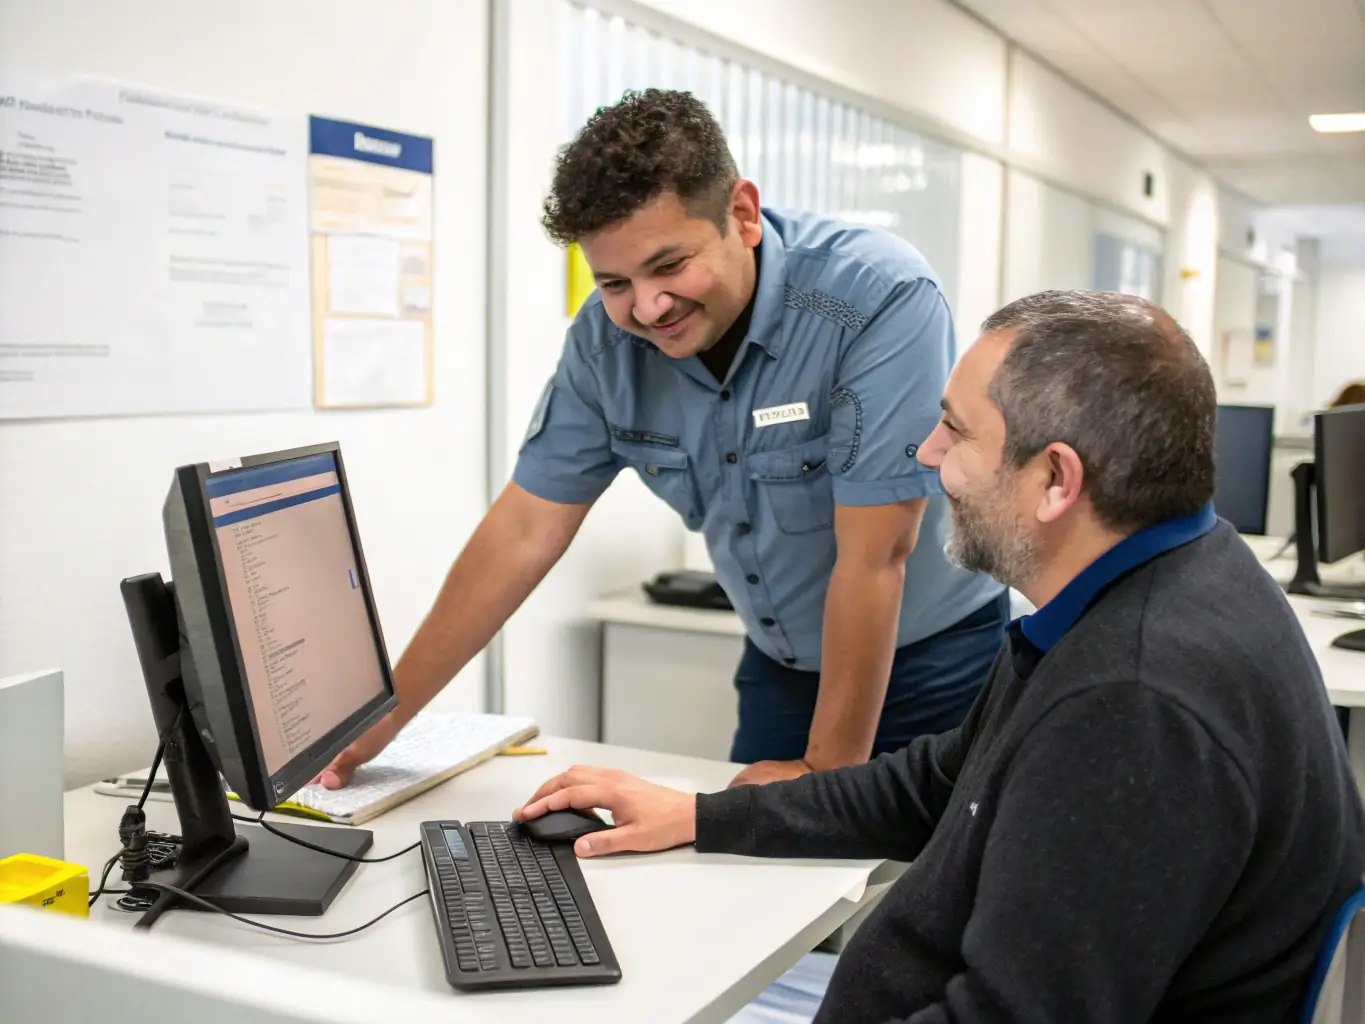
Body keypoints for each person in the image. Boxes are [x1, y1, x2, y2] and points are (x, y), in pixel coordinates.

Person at [514, 290, 1365, 1023]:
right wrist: (698, 816)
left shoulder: (1132, 703)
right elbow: (936, 787)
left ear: (1055, 480)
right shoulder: (1156, 583)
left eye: (954, 431)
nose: (925, 454)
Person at [318, 88, 1004, 790]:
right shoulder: (603, 345)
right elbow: (524, 528)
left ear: (741, 214)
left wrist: (823, 775)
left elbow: (876, 554)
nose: (647, 307)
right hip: (781, 664)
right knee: (756, 885)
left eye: (670, 266)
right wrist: (382, 719)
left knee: (926, 887)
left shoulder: (872, 295)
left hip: (934, 660)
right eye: (615, 281)